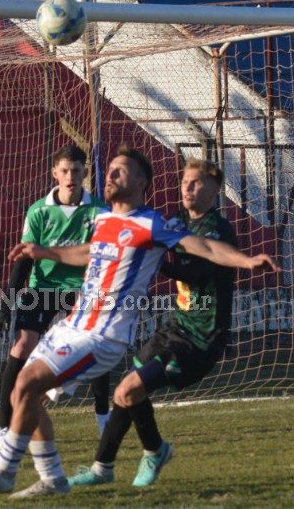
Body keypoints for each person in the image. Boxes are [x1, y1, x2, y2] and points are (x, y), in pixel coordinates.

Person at [0, 146, 279, 499]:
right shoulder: (102, 220)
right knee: (23, 389)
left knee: (33, 383)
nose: (110, 175)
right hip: (73, 324)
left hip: (102, 335)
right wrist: (45, 252)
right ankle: (52, 479)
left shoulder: (152, 224)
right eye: (110, 169)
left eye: (120, 171)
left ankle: (6, 471)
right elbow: (87, 252)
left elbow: (203, 247)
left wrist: (247, 261)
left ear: (142, 182)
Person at [67, 157, 241, 489]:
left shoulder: (217, 229)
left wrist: (149, 260)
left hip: (202, 338)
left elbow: (198, 271)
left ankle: (155, 451)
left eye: (197, 183)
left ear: (215, 191)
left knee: (130, 389)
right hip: (174, 328)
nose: (187, 188)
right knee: (125, 391)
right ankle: (102, 467)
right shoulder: (174, 221)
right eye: (184, 182)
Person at [0, 145, 111, 453]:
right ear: (54, 173)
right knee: (21, 345)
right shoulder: (39, 211)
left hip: (82, 288)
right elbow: (24, 262)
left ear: (85, 173)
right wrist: (5, 309)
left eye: (76, 170)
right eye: (65, 170)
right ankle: (3, 427)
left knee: (95, 344)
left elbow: (102, 260)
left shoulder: (99, 212)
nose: (70, 176)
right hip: (42, 287)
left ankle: (102, 415)